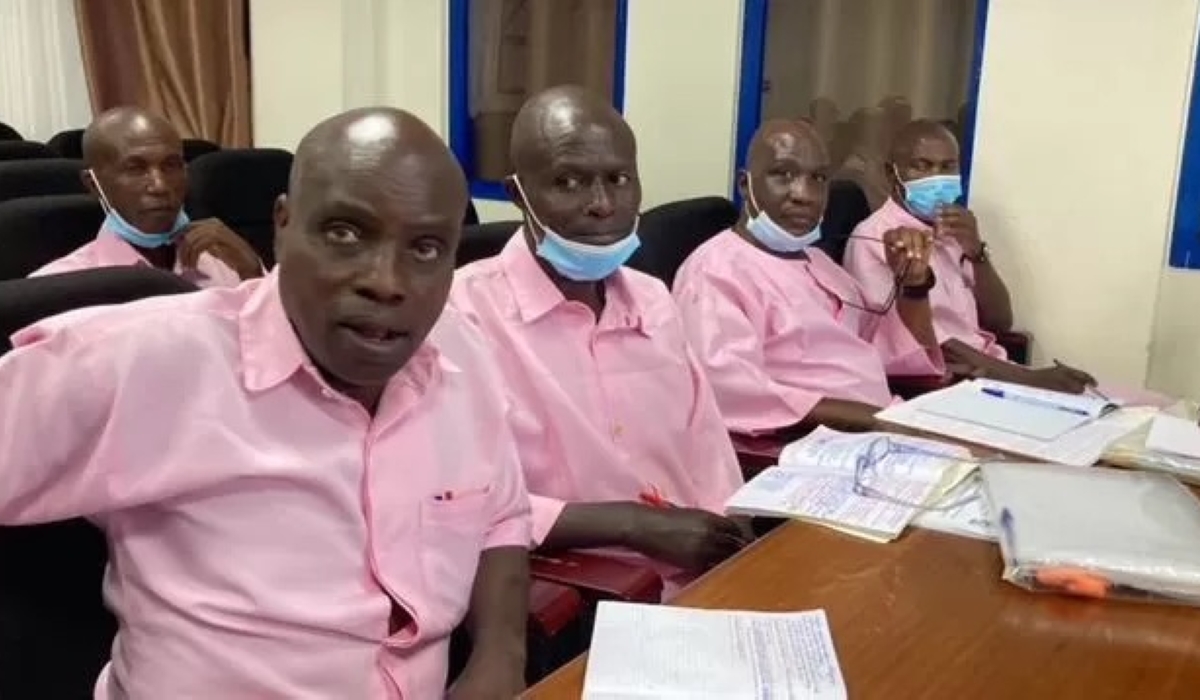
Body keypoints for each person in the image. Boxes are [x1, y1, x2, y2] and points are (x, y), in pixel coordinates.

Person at [0, 108, 531, 699]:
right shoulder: (149, 358)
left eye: (426, 247)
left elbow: (501, 516)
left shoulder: (465, 356)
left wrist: (499, 656)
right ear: (282, 226)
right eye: (345, 233)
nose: (387, 280)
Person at [450, 86, 748, 595]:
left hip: (704, 576)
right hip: (585, 594)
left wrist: (736, 537)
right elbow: (461, 499)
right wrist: (632, 524)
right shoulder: (463, 315)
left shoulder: (654, 300)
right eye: (569, 181)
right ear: (519, 194)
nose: (602, 204)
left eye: (619, 179)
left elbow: (708, 451)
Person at [673, 119, 943, 435]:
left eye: (817, 178)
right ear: (745, 185)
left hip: (883, 425)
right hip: (812, 446)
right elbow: (733, 394)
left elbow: (894, 351)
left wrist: (913, 285)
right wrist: (879, 421)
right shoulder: (715, 272)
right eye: (783, 175)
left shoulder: (816, 261)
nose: (804, 195)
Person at [843, 119, 1095, 392]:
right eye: (923, 166)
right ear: (892, 175)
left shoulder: (952, 232)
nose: (936, 178)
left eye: (947, 166)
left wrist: (975, 250)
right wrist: (1029, 380)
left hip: (991, 370)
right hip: (941, 382)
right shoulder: (874, 238)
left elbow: (999, 321)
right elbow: (930, 346)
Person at [30, 106, 262, 286]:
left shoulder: (227, 261)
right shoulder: (58, 286)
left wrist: (252, 274)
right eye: (136, 168)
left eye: (171, 165)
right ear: (93, 184)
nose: (160, 185)